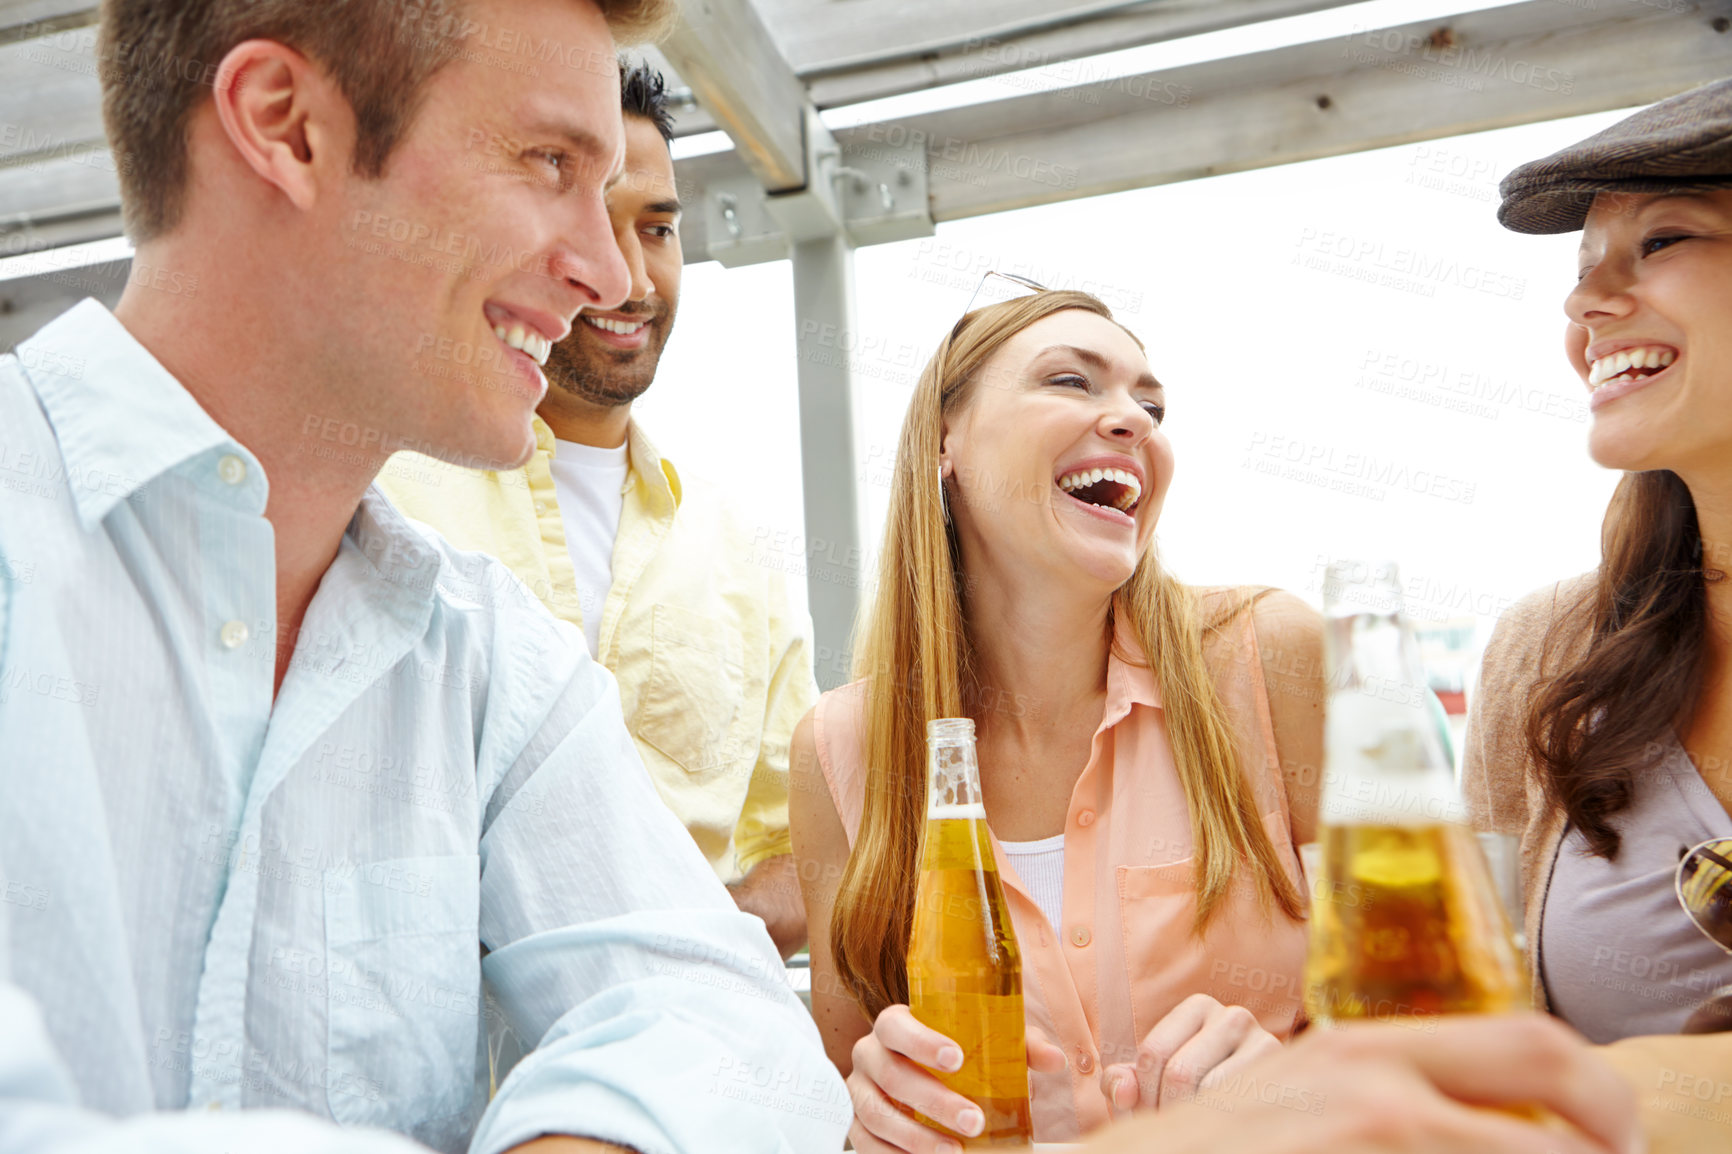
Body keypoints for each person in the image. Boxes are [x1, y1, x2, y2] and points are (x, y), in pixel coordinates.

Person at [0, 1, 846, 1152]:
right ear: (285, 126)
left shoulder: (485, 658)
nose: (607, 274)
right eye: (549, 161)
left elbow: (732, 1022)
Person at [791, 286, 1329, 1150]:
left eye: (1150, 404)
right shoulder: (839, 750)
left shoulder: (1273, 656)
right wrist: (874, 1124)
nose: (1133, 422)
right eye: (1072, 382)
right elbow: (847, 1092)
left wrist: (1301, 1091)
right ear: (945, 442)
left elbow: (1428, 1031)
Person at [377, 62, 811, 957]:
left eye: (657, 229)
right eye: (585, 223)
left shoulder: (735, 551)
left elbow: (809, 847)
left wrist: (679, 940)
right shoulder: (378, 491)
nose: (629, 277)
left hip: (677, 1068)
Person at [1467, 76, 1732, 1150]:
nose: (1586, 307)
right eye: (1580, 276)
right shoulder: (1546, 654)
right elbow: (1473, 1022)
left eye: (1659, 240)